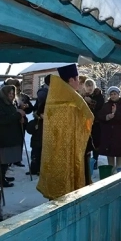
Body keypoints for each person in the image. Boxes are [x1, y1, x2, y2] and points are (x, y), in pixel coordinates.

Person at [37, 64, 94, 200]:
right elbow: (89, 117)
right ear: (71, 80)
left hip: (55, 149)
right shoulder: (73, 99)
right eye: (78, 79)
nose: (79, 83)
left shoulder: (53, 97)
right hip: (72, 147)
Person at [98, 86, 121, 170]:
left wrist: (115, 113)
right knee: (110, 152)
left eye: (115, 94)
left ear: (118, 94)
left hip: (119, 133)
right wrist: (107, 116)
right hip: (109, 133)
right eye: (111, 94)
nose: (113, 96)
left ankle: (118, 168)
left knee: (119, 151)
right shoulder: (106, 105)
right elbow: (100, 116)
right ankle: (111, 169)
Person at [4, 78, 34, 167]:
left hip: (21, 122)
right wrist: (19, 110)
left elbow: (30, 109)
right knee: (10, 142)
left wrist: (26, 107)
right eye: (17, 87)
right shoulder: (5, 96)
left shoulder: (23, 96)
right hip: (10, 123)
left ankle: (17, 159)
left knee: (19, 141)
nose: (18, 88)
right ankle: (8, 160)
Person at [0, 85, 25, 187]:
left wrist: (21, 119)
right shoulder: (1, 104)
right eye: (9, 94)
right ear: (4, 94)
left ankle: (2, 176)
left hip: (10, 135)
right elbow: (3, 120)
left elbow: (13, 116)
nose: (11, 95)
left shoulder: (11, 103)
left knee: (6, 160)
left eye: (12, 94)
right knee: (3, 160)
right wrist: (18, 115)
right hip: (4, 136)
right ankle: (1, 179)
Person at [82, 79, 104, 169]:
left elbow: (99, 107)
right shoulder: (83, 96)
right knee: (86, 142)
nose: (89, 88)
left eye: (90, 85)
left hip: (96, 123)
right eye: (87, 86)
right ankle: (87, 162)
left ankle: (95, 161)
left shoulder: (98, 95)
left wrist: (90, 101)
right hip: (85, 123)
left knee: (96, 142)